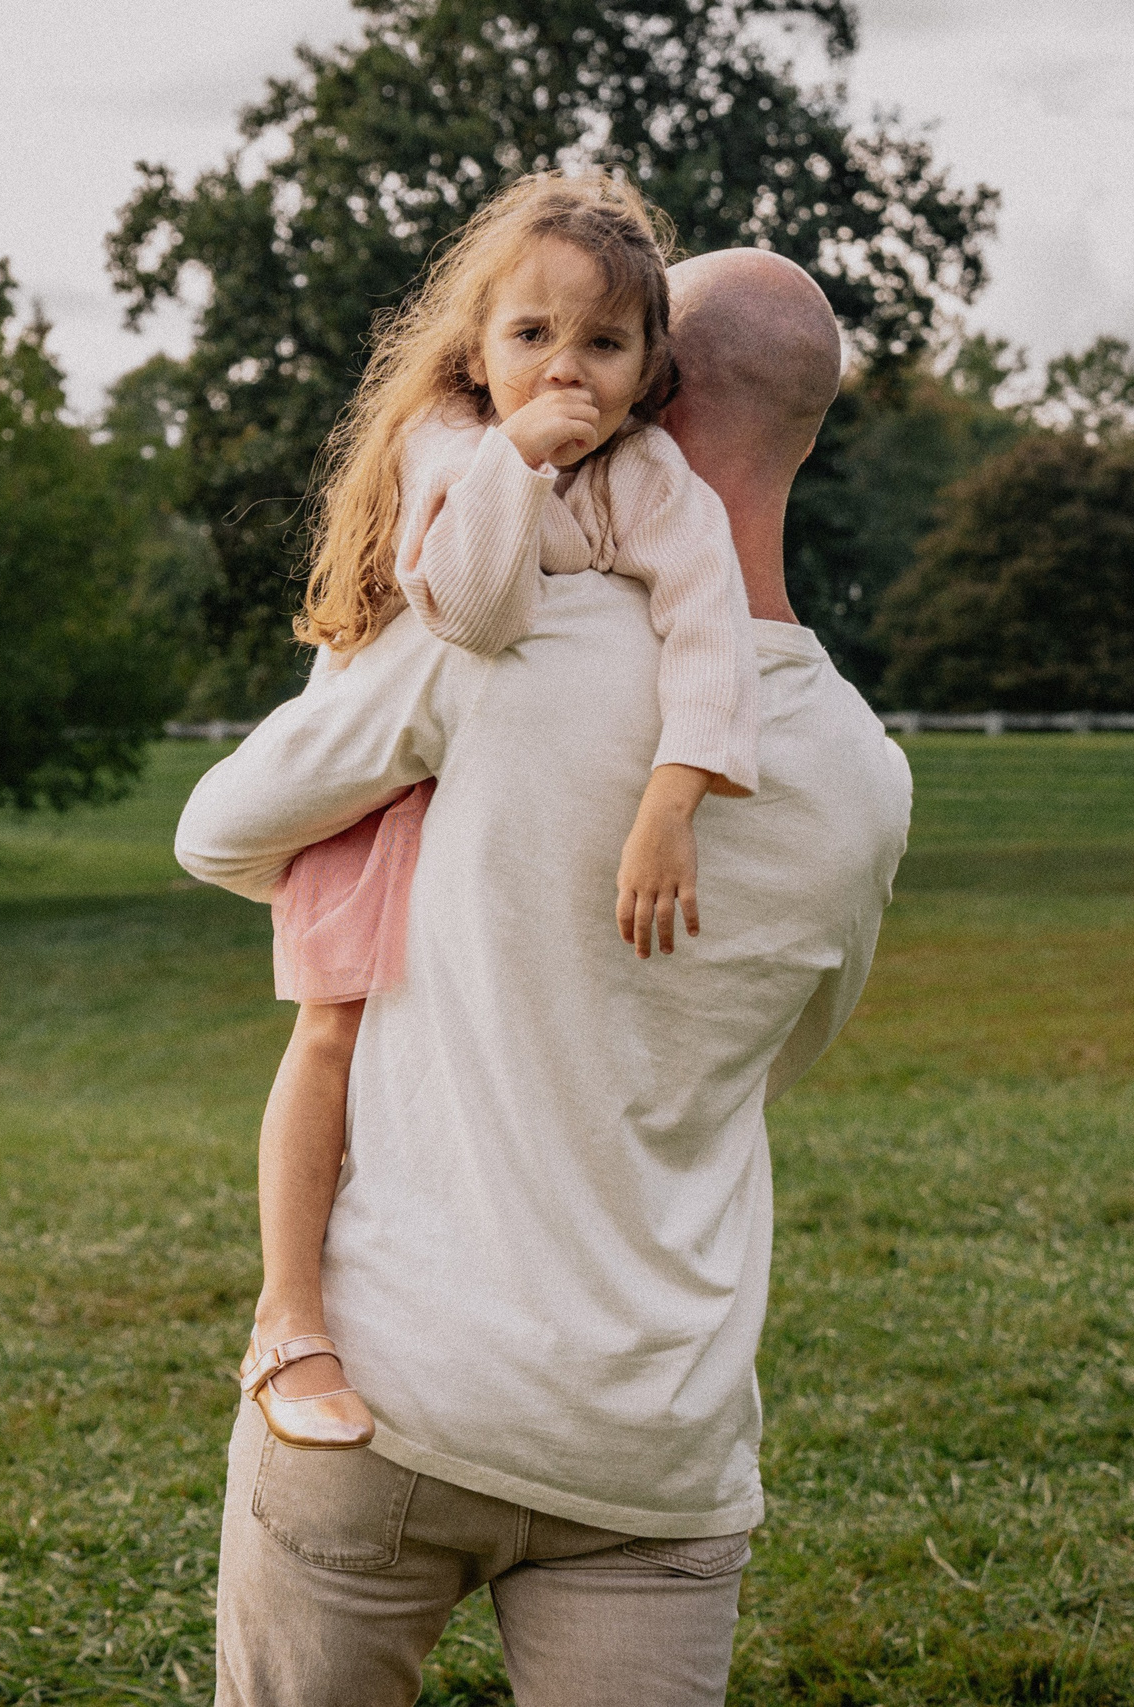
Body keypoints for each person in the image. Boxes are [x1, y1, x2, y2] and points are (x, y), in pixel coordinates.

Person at [174, 250, 912, 1705]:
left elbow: (218, 829)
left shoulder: (501, 641)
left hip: (386, 1391)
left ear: (648, 386)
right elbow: (773, 1056)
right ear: (807, 434)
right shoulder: (868, 777)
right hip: (658, 1436)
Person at [244, 173, 759, 1454]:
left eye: (602, 344)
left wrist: (672, 796)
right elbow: (476, 611)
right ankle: (290, 1316)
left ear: (649, 371)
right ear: (477, 349)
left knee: (454, 1055)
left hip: (490, 799)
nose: (563, 372)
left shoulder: (650, 480)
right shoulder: (453, 445)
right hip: (382, 794)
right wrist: (515, 464)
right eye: (530, 337)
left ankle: (431, 1290)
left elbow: (710, 631)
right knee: (334, 1036)